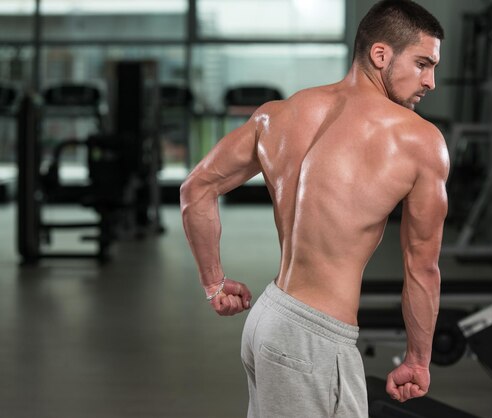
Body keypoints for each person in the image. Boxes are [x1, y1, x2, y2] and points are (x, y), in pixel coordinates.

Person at [180, 1, 448, 416]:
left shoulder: (279, 115)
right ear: (381, 55)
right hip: (314, 340)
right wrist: (417, 359)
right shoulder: (420, 141)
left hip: (269, 319)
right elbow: (422, 267)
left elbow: (196, 188)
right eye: (422, 64)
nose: (430, 81)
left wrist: (214, 283)